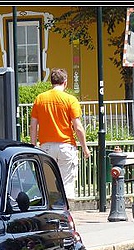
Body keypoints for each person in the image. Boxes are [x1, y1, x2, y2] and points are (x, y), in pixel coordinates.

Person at [30, 68, 90, 200]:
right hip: (66, 146)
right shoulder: (70, 100)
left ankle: (52, 213)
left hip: (46, 147)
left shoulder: (40, 99)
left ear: (52, 82)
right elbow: (78, 127)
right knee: (66, 184)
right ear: (65, 82)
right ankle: (65, 214)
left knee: (49, 185)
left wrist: (33, 146)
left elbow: (33, 125)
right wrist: (85, 148)